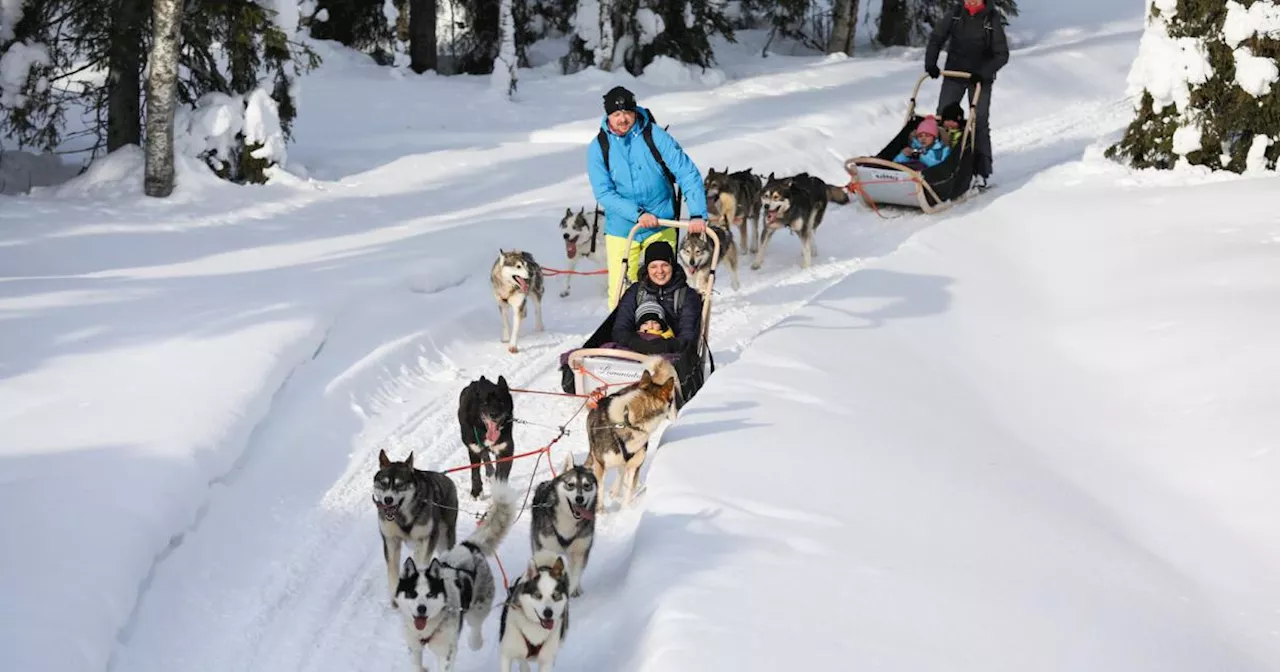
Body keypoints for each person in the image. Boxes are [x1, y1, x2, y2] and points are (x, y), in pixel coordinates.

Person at [587, 85, 709, 310]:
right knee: (621, 292)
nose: (623, 119)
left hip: (661, 222)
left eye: (627, 112)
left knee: (663, 284)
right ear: (608, 116)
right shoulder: (598, 147)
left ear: (635, 111)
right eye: (616, 114)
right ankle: (623, 337)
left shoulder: (655, 135)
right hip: (622, 227)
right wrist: (638, 214)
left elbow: (686, 172)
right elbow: (604, 192)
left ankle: (665, 337)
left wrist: (698, 213)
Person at [924, 0, 1009, 188]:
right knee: (942, 117)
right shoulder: (955, 13)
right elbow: (937, 37)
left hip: (979, 79)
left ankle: (981, 172)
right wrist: (931, 63)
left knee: (978, 121)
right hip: (954, 73)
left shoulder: (990, 18)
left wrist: (983, 72)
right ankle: (936, 164)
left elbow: (1002, 54)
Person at [611, 241, 703, 356]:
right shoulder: (635, 291)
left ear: (672, 266)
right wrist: (638, 343)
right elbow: (620, 329)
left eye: (664, 265)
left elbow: (688, 337)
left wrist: (664, 346)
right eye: (653, 266)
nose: (660, 271)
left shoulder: (687, 295)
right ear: (647, 269)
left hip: (670, 354)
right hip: (634, 351)